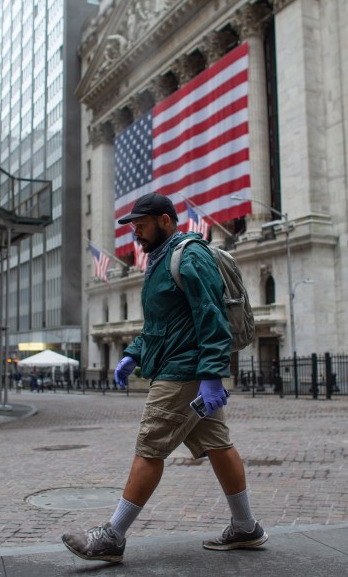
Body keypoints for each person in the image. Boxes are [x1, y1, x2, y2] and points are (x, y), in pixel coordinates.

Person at [61, 193, 266, 563]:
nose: (135, 234)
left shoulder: (189, 255)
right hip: (179, 364)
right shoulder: (158, 262)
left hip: (184, 370)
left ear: (166, 221)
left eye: (141, 226)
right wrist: (133, 353)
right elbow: (159, 323)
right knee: (218, 445)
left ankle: (112, 536)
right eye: (134, 227)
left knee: (150, 445)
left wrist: (213, 375)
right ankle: (246, 527)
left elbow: (212, 317)